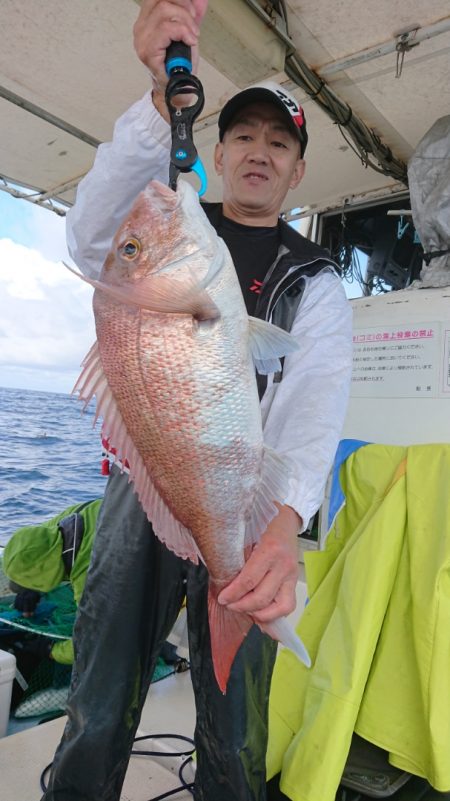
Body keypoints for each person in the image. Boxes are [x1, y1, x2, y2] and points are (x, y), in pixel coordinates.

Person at [42, 2, 353, 799]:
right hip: (148, 484)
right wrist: (158, 100)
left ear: (297, 172)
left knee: (237, 719)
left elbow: (316, 397)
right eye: (243, 135)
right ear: (216, 151)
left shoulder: (315, 279)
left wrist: (284, 521)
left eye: (279, 142)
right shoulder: (176, 221)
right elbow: (90, 238)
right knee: (99, 692)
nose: (259, 151)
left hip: (244, 504)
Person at [3, 499, 102, 664]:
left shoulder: (87, 577)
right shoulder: (70, 519)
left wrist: (51, 651)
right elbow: (38, 545)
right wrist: (30, 590)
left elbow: (94, 642)